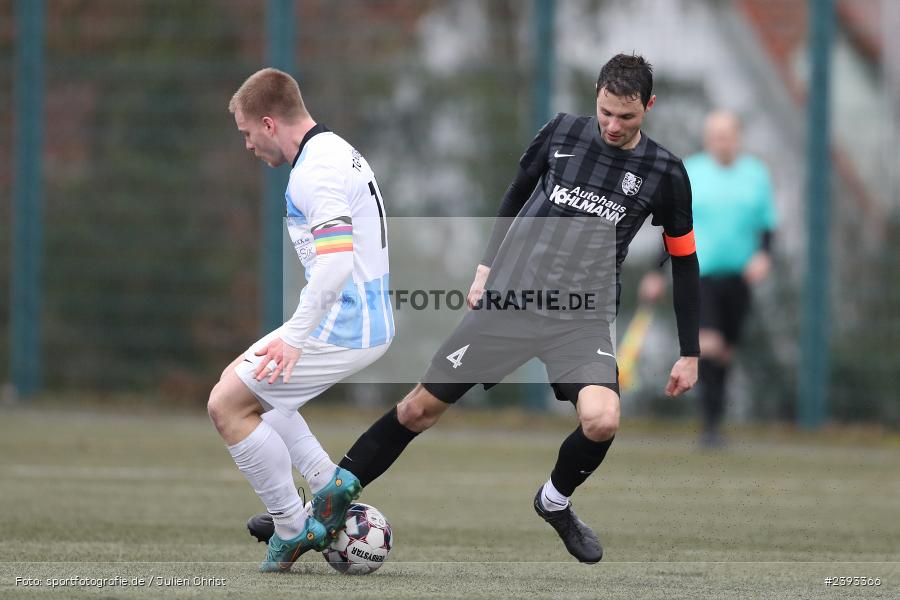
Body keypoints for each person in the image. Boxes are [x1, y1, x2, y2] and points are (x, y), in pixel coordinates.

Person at [251, 53, 700, 563]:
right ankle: (328, 505)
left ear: (650, 107)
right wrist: (486, 269)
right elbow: (515, 192)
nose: (613, 126)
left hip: (581, 318)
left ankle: (554, 501)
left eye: (628, 117)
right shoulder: (562, 134)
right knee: (418, 409)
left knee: (602, 419)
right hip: (509, 302)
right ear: (596, 94)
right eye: (606, 112)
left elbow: (684, 261)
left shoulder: (666, 172)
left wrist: (689, 351)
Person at [207, 67, 394, 573]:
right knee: (243, 387)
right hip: (356, 316)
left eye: (247, 133)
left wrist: (295, 336)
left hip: (348, 321)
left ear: (269, 124)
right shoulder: (333, 151)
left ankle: (291, 528)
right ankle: (326, 482)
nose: (247, 145)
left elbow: (334, 265)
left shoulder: (317, 171)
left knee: (227, 406)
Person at [639, 109, 776, 447]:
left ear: (738, 138)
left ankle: (714, 423)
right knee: (709, 345)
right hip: (699, 275)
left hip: (739, 279)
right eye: (714, 135)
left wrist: (763, 256)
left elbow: (767, 226)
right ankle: (709, 426)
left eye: (726, 135)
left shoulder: (755, 174)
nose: (721, 141)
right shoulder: (692, 172)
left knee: (725, 351)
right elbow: (674, 226)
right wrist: (656, 272)